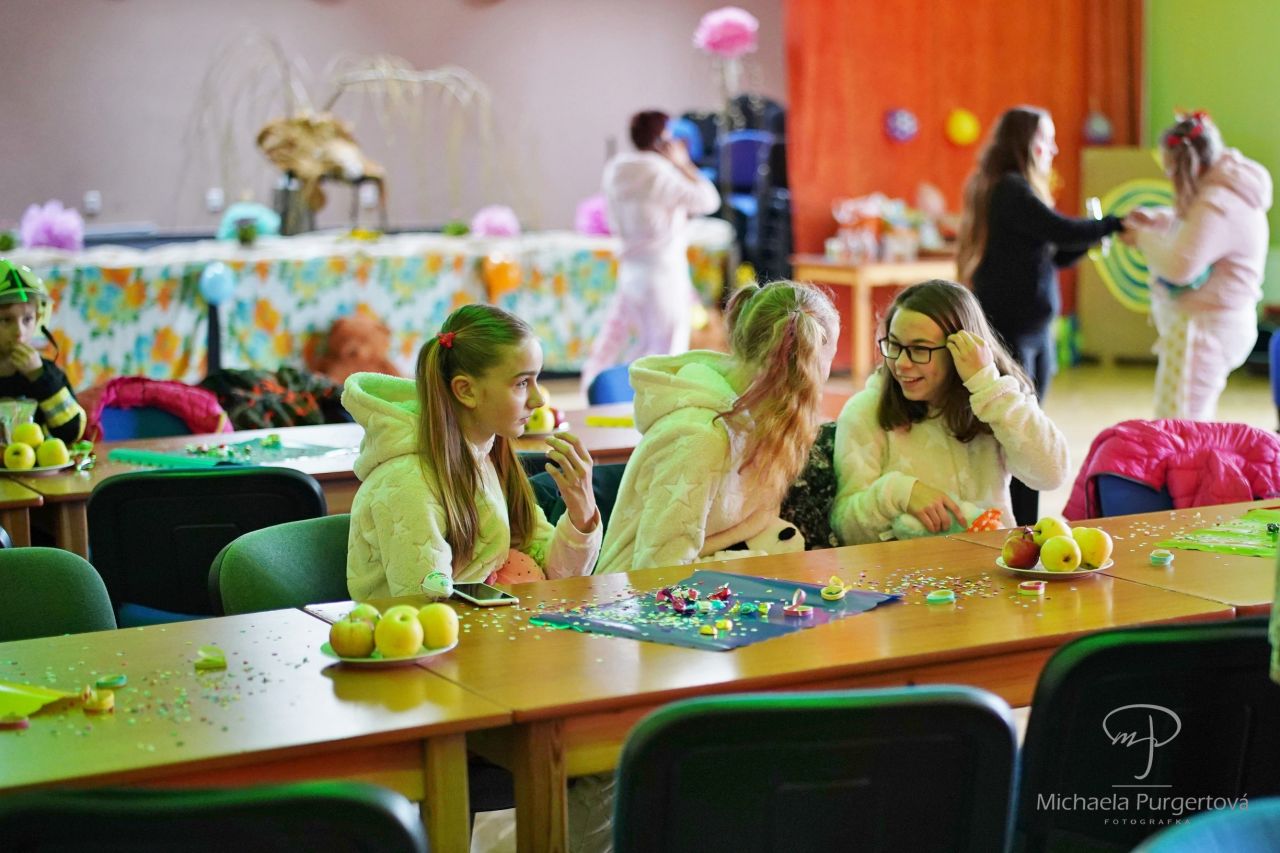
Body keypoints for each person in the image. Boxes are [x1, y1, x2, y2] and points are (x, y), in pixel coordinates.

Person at [343, 304, 601, 600]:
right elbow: (427, 609)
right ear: (466, 390)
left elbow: (558, 577)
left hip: (482, 624)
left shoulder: (489, 457)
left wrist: (582, 512)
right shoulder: (408, 483)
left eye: (536, 380)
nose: (537, 400)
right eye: (521, 383)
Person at [596, 280, 839, 574]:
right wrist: (755, 566)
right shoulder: (701, 437)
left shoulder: (759, 421)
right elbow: (658, 573)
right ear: (805, 369)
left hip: (705, 586)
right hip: (634, 594)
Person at [956, 105, 1125, 523]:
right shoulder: (1010, 188)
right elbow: (1059, 230)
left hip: (1034, 329)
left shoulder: (1018, 190)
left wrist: (1095, 237)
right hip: (1011, 328)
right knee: (1019, 431)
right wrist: (1113, 224)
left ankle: (1025, 524)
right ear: (1025, 143)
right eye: (1046, 140)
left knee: (1029, 429)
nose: (1053, 149)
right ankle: (1019, 525)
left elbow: (1055, 253)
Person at [830, 280, 1068, 546]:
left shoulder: (995, 398)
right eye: (894, 345)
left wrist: (987, 386)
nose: (901, 363)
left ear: (959, 352)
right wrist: (896, 493)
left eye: (919, 349)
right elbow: (846, 529)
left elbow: (1052, 474)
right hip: (903, 571)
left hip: (990, 562)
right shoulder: (865, 410)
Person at [1122, 111, 1271, 421]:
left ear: (1188, 167)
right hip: (1216, 324)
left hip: (1205, 331)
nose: (1168, 178)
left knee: (1181, 423)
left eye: (1170, 169)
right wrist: (1160, 219)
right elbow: (1199, 232)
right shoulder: (1226, 187)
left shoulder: (1218, 201)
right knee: (1190, 419)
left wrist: (1143, 238)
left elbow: (1181, 265)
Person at [580, 109, 721, 394]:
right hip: (663, 273)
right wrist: (683, 164)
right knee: (667, 350)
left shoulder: (615, 170)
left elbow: (611, 219)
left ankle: (591, 392)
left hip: (631, 270)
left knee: (616, 340)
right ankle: (656, 406)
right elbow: (709, 200)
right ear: (662, 141)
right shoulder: (659, 172)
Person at [0, 259, 85, 443]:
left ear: (38, 318)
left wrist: (40, 378)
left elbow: (72, 432)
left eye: (27, 319)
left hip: (38, 461)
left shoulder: (47, 373)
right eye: (6, 320)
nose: (19, 331)